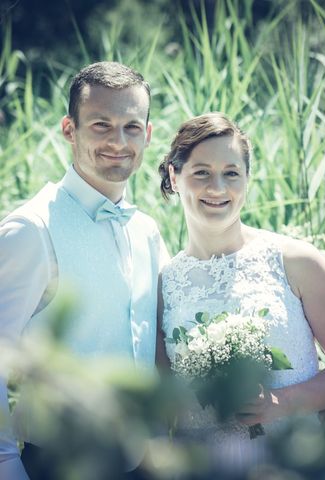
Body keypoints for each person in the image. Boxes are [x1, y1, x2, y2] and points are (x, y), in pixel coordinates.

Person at [156, 112, 325, 477]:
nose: (218, 188)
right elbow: (168, 406)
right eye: (201, 173)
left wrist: (279, 403)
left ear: (246, 179)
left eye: (231, 173)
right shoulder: (164, 285)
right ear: (174, 176)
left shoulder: (295, 261)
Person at [0, 61, 168, 479]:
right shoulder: (31, 228)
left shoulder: (147, 230)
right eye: (100, 125)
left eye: (132, 126)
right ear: (69, 129)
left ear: (147, 134)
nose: (118, 140)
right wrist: (6, 465)